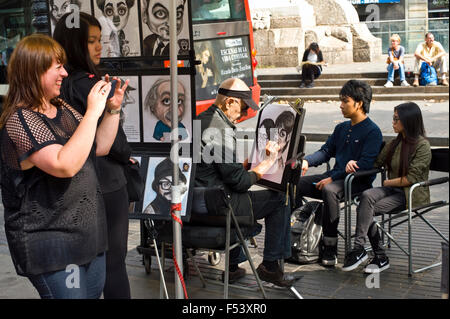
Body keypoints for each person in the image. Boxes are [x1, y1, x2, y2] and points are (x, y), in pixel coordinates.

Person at [0, 34, 118, 299]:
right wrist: (91, 112)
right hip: (52, 244)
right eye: (57, 67)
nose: (65, 73)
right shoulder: (19, 120)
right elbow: (64, 165)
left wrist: (111, 110)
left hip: (88, 237)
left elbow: (99, 146)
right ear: (34, 71)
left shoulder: (61, 107)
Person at [54, 12, 132, 299]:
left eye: (100, 39)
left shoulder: (56, 85)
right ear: (75, 43)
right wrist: (127, 156)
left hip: (72, 186)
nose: (100, 47)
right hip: (106, 184)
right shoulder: (93, 85)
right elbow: (113, 144)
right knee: (113, 265)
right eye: (92, 41)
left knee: (83, 264)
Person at [195, 78, 294, 287]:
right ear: (229, 102)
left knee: (238, 193)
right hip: (217, 205)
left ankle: (232, 268)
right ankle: (270, 266)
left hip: (198, 199)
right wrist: (267, 162)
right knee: (280, 198)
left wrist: (247, 165)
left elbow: (217, 168)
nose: (242, 115)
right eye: (242, 108)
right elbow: (239, 183)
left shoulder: (201, 120)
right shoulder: (218, 128)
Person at [296, 80, 383, 267]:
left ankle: (330, 244)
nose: (341, 105)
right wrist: (306, 161)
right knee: (295, 183)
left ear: (359, 103)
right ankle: (297, 232)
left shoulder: (373, 131)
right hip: (335, 177)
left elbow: (366, 164)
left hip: (356, 183)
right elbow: (326, 151)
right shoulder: (341, 128)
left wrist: (333, 178)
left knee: (329, 190)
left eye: (345, 101)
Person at [342, 102, 431, 273]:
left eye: (396, 119)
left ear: (408, 121)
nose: (393, 122)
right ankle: (362, 249)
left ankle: (378, 255)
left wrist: (388, 182)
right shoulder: (394, 143)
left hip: (411, 194)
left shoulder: (422, 146)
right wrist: (355, 163)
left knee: (366, 208)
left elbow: (411, 179)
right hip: (393, 190)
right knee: (366, 196)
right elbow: (374, 163)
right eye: (393, 118)